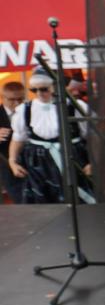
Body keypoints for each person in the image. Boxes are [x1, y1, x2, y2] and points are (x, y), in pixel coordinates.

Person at [8, 69, 94, 204]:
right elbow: (18, 138)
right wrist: (12, 161)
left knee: (78, 201)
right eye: (34, 90)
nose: (39, 93)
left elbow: (93, 137)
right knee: (41, 204)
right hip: (38, 165)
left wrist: (93, 161)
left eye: (44, 89)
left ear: (55, 86)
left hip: (72, 159)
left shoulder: (74, 106)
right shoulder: (25, 109)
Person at [1, 81, 26, 203]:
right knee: (19, 199)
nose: (16, 103)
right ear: (2, 97)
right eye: (11, 99)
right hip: (5, 165)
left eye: (20, 99)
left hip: (31, 161)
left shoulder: (30, 111)